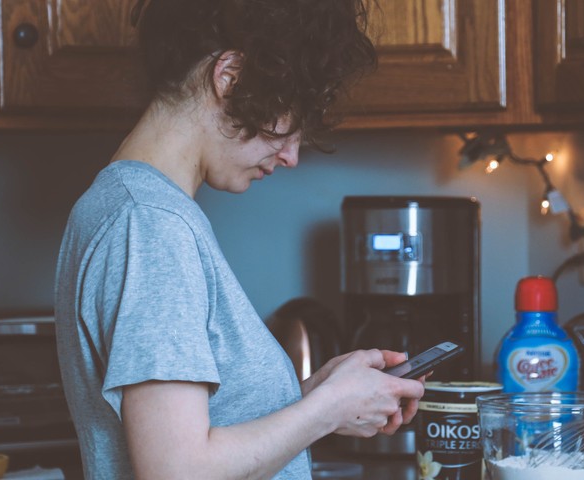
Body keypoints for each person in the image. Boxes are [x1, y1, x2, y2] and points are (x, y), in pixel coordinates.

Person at [54, 0, 426, 478]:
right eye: (290, 115)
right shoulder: (150, 225)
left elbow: (200, 432)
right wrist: (324, 411)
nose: (292, 155)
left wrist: (317, 399)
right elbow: (177, 470)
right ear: (229, 76)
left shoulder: (128, 207)